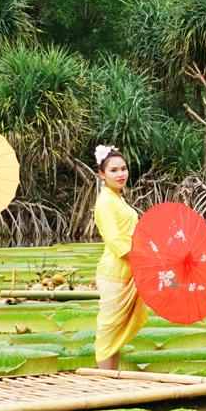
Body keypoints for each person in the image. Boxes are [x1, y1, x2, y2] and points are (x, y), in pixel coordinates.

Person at [92, 144, 147, 371]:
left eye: (123, 169)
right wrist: (143, 257)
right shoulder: (105, 201)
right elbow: (115, 241)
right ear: (101, 175)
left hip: (128, 271)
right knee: (108, 331)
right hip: (114, 272)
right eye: (113, 170)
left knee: (116, 333)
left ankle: (111, 378)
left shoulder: (117, 199)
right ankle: (105, 383)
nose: (120, 174)